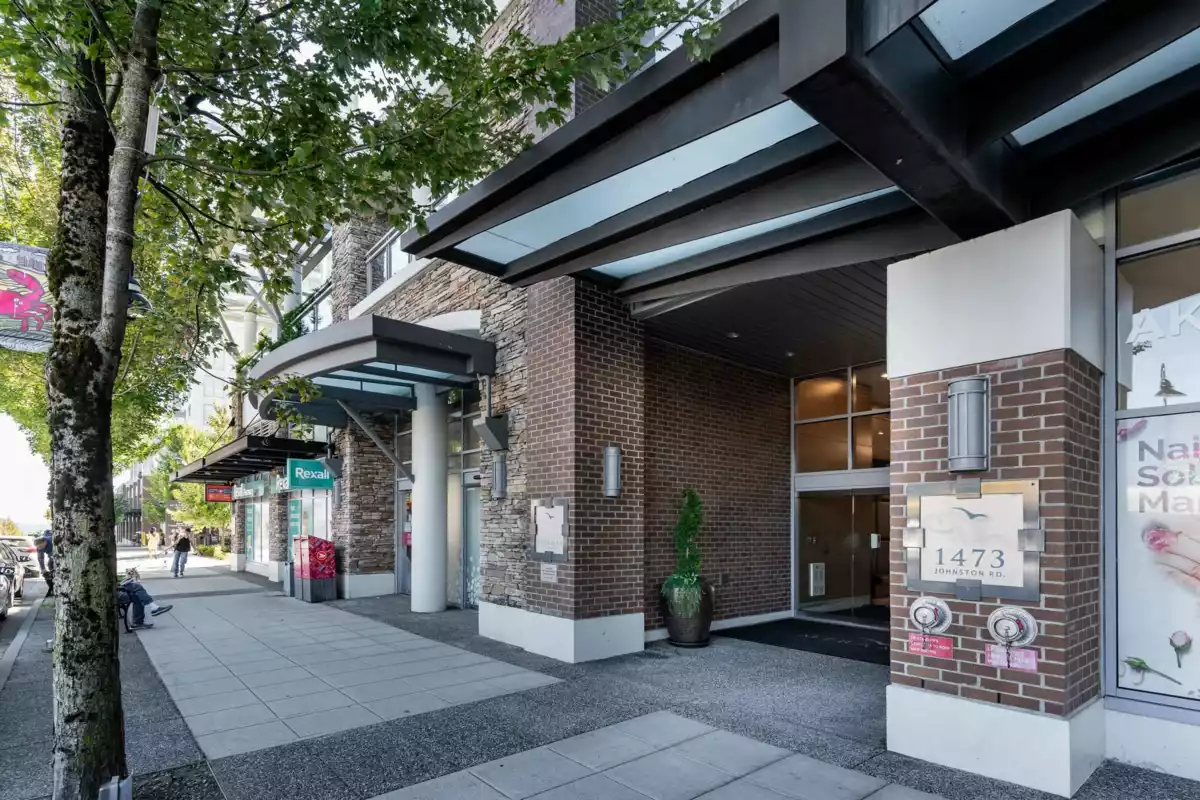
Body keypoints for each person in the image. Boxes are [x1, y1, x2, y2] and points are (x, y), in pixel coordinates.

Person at [35, 530, 54, 597]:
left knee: (52, 564)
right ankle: (51, 587)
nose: (40, 548)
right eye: (38, 547)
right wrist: (43, 569)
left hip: (56, 554)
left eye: (41, 546)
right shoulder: (39, 547)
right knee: (49, 567)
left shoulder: (52, 541)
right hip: (51, 555)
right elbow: (40, 558)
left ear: (45, 542)